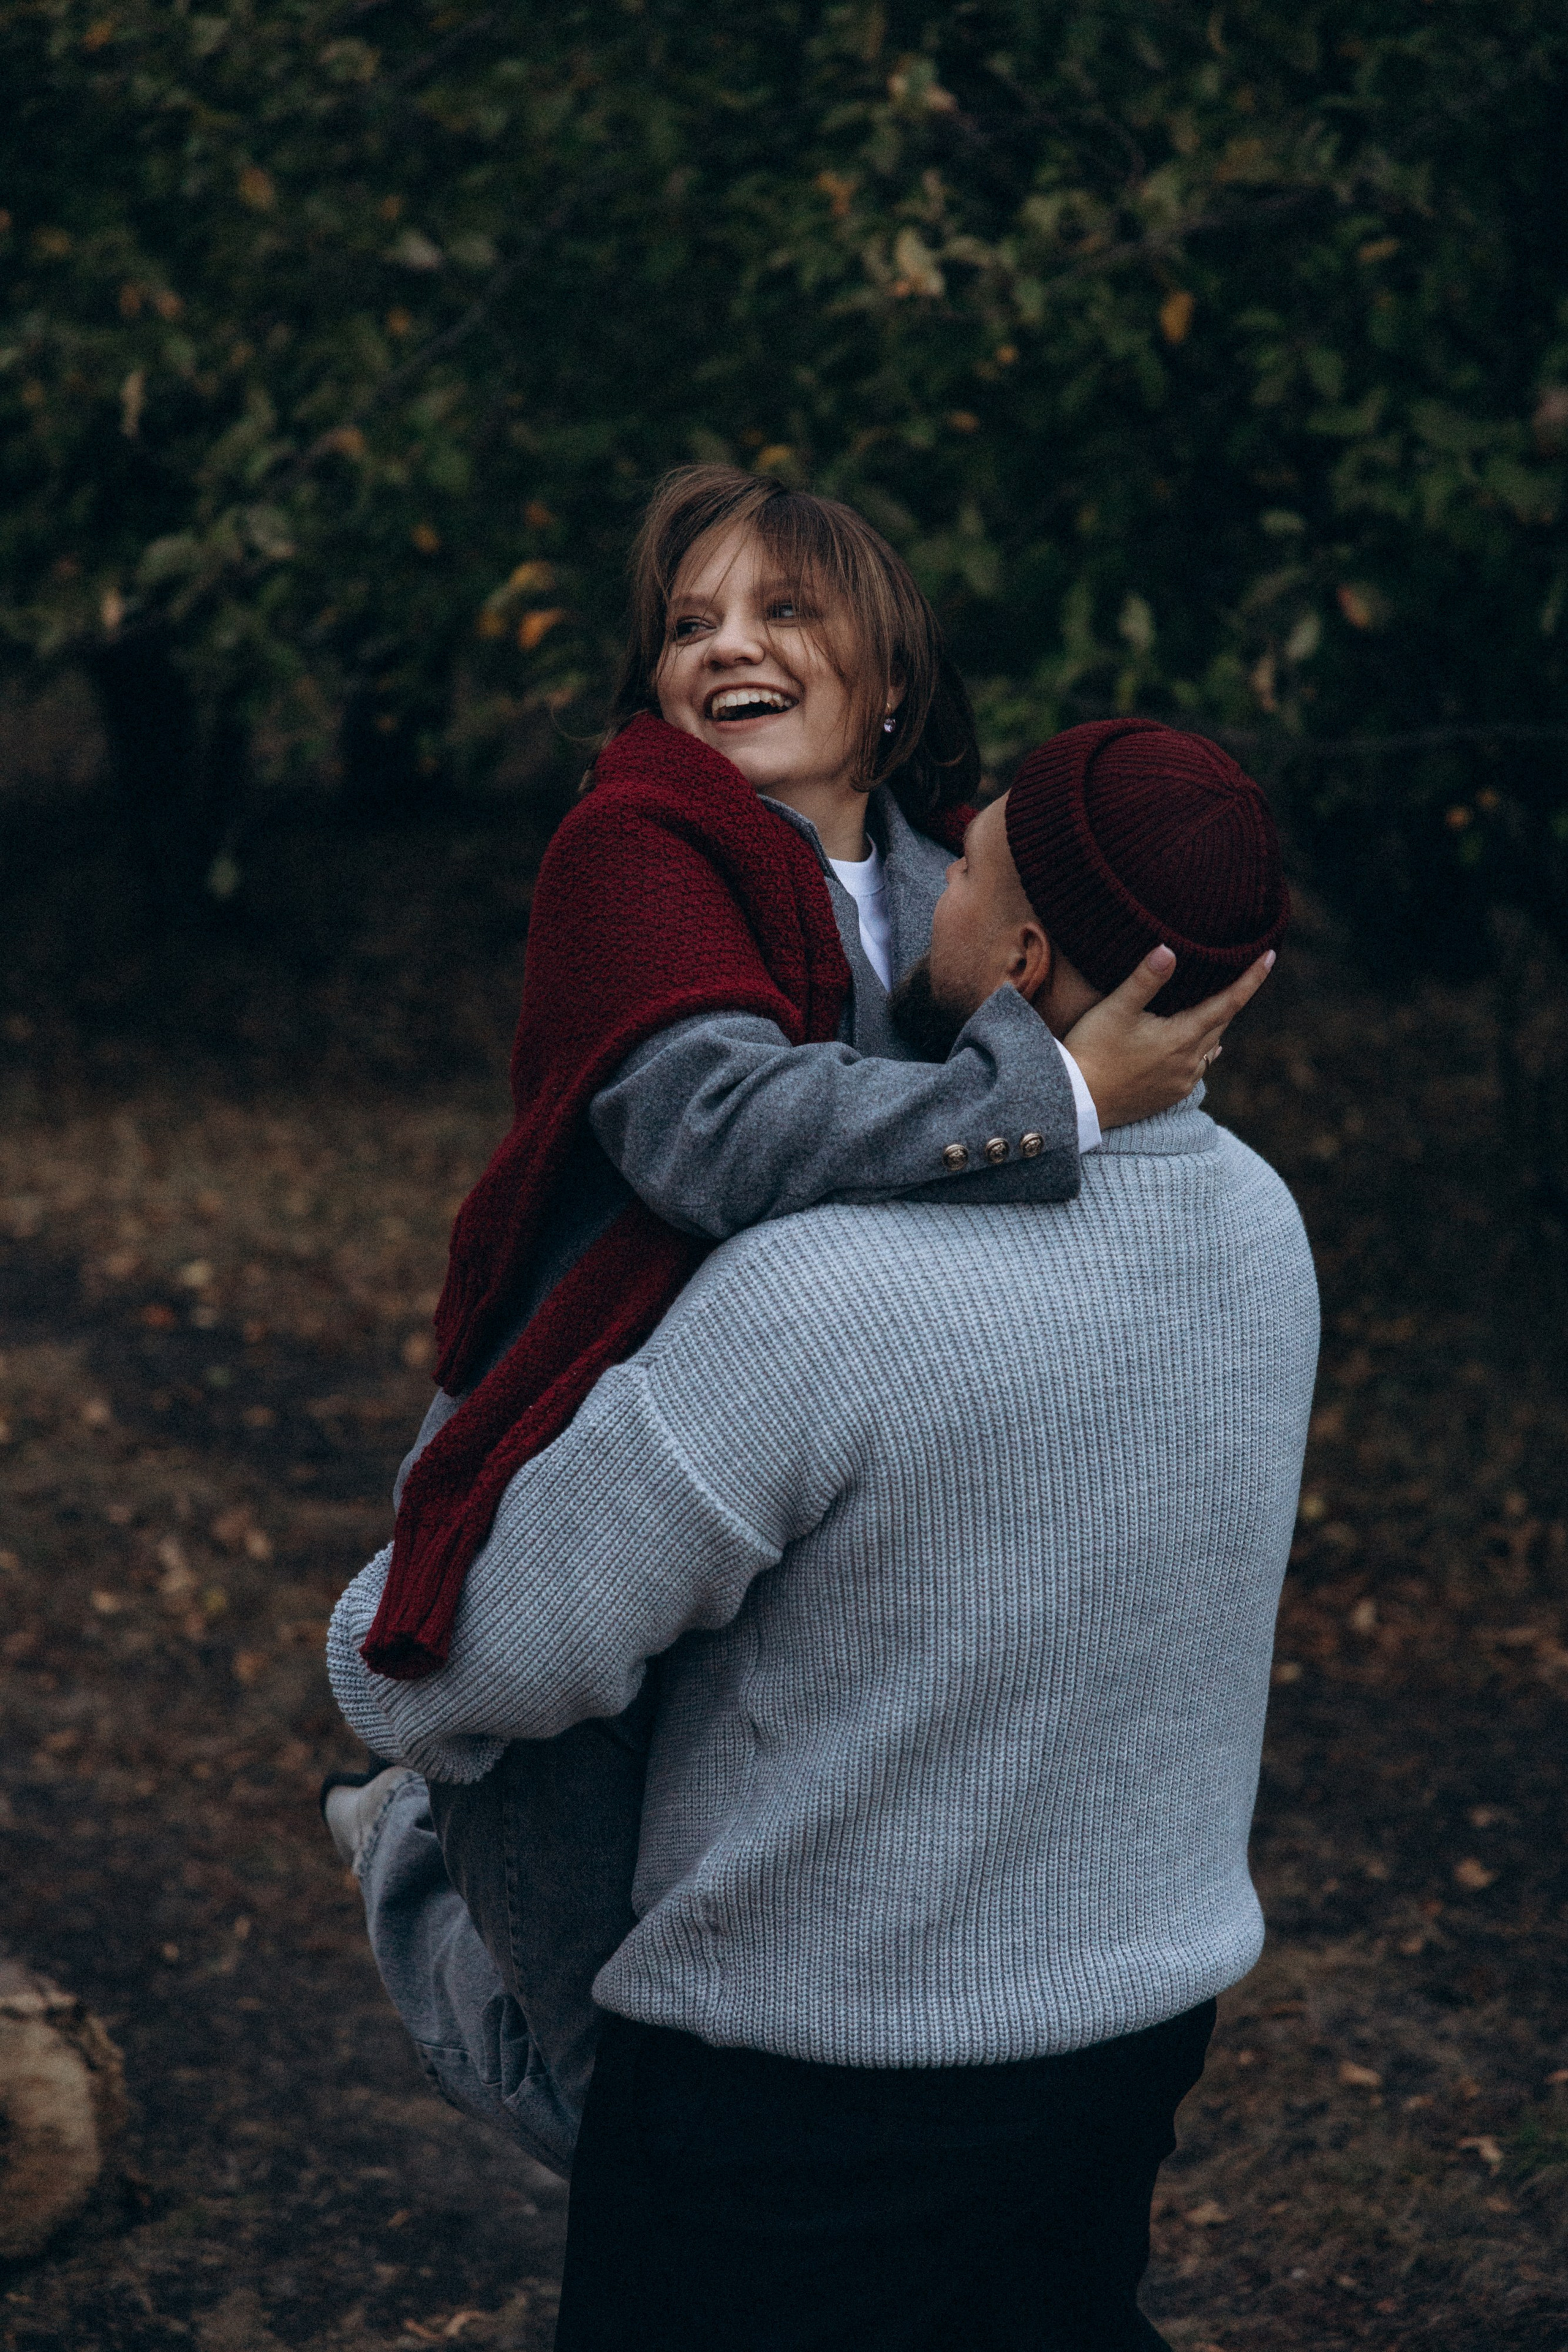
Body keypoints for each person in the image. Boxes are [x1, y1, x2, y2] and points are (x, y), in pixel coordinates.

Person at [327, 715, 1317, 2350]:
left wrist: (383, 1616)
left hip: (799, 2108)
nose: (924, 886)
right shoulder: (1265, 1233)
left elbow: (450, 1671)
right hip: (1126, 2048)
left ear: (1022, 958)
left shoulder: (824, 1294)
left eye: (964, 862)